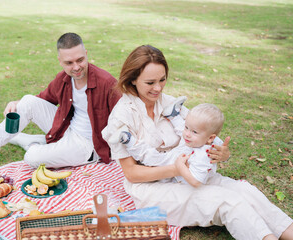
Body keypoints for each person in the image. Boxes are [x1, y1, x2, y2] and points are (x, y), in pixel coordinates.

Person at [101, 45, 293, 240]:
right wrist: (176, 169)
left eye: (162, 80)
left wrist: (221, 154)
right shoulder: (121, 117)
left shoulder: (169, 103)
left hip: (189, 174)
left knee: (245, 190)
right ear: (133, 79)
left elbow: (202, 133)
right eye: (150, 82)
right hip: (154, 189)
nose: (158, 88)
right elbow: (132, 174)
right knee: (228, 201)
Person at [0, 32, 122, 171]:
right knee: (26, 101)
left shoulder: (106, 83)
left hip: (88, 146)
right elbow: (39, 101)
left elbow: (125, 119)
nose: (76, 67)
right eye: (69, 63)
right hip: (68, 130)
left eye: (80, 60)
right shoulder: (63, 79)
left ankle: (33, 142)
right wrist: (17, 103)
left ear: (86, 54)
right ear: (60, 61)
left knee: (31, 158)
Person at [111, 102, 225, 187]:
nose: (188, 134)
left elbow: (196, 182)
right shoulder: (200, 140)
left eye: (194, 132)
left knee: (151, 157)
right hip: (183, 152)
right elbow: (219, 143)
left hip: (176, 171)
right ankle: (173, 115)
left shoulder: (203, 157)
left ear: (210, 138)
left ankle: (128, 140)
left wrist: (179, 167)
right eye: (187, 127)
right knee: (181, 131)